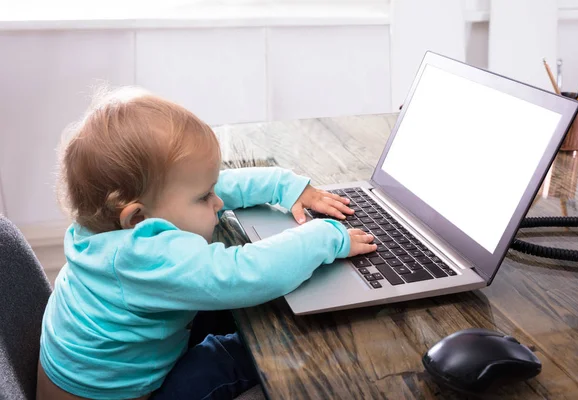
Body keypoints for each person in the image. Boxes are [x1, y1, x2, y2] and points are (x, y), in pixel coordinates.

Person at [37, 87, 376, 400]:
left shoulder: (104, 221)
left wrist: (283, 187)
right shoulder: (142, 256)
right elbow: (241, 273)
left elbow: (204, 188)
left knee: (233, 315)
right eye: (204, 197)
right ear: (137, 219)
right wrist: (325, 236)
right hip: (124, 397)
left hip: (101, 372)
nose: (217, 202)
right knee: (229, 357)